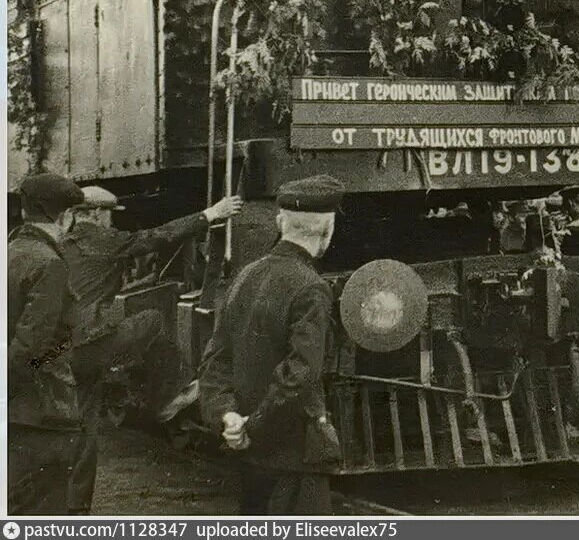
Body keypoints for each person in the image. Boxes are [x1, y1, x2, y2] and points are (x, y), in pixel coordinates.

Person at [62, 187, 245, 515]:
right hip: (93, 344)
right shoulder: (105, 240)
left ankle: (67, 509)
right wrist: (211, 213)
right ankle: (167, 396)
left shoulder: (63, 245)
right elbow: (159, 236)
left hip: (62, 351)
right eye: (108, 215)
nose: (111, 221)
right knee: (153, 320)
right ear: (92, 214)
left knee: (80, 424)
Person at [199, 175, 345, 515]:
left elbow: (215, 360)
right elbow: (300, 374)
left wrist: (228, 417)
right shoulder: (311, 288)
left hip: (248, 456)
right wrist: (254, 426)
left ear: (280, 223)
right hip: (294, 457)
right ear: (328, 229)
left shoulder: (246, 276)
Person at [8, 173, 87, 515]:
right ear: (64, 217)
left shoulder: (10, 252)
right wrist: (55, 357)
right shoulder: (50, 264)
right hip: (41, 414)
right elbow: (31, 349)